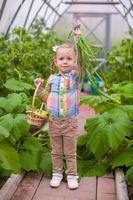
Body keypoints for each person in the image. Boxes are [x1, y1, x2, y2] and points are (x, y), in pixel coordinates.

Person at [34, 25, 81, 190]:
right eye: (61, 59)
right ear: (56, 61)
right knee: (56, 151)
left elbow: (83, 63)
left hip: (70, 121)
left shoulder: (75, 77)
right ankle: (57, 173)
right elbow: (44, 97)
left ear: (74, 61)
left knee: (70, 151)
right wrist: (39, 88)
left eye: (69, 58)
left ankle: (72, 175)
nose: (65, 61)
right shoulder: (52, 78)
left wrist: (77, 39)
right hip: (54, 121)